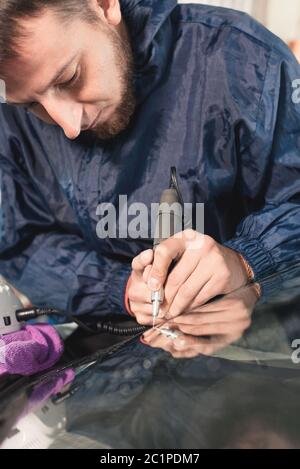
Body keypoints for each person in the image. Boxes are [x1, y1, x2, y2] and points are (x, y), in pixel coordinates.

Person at [0, 0, 299, 358]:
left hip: (256, 367)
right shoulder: (10, 119)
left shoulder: (242, 58)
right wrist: (119, 287)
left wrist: (246, 262)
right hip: (107, 373)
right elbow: (19, 242)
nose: (68, 125)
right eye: (31, 105)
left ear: (103, 5)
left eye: (69, 78)